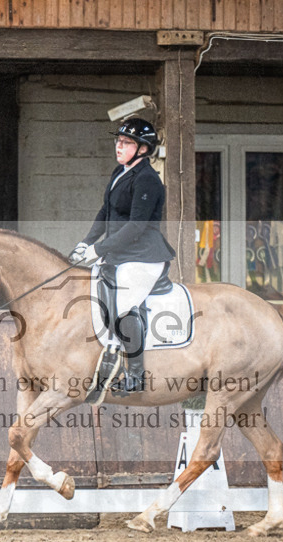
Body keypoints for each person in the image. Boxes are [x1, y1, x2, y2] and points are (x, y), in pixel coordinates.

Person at [69, 117, 175, 392]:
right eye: (118, 141)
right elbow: (105, 212)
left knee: (123, 306)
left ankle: (136, 376)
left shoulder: (148, 180)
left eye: (126, 142)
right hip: (120, 253)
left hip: (144, 255)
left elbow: (136, 226)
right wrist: (86, 242)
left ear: (143, 149)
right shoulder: (120, 171)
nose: (119, 146)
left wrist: (98, 249)